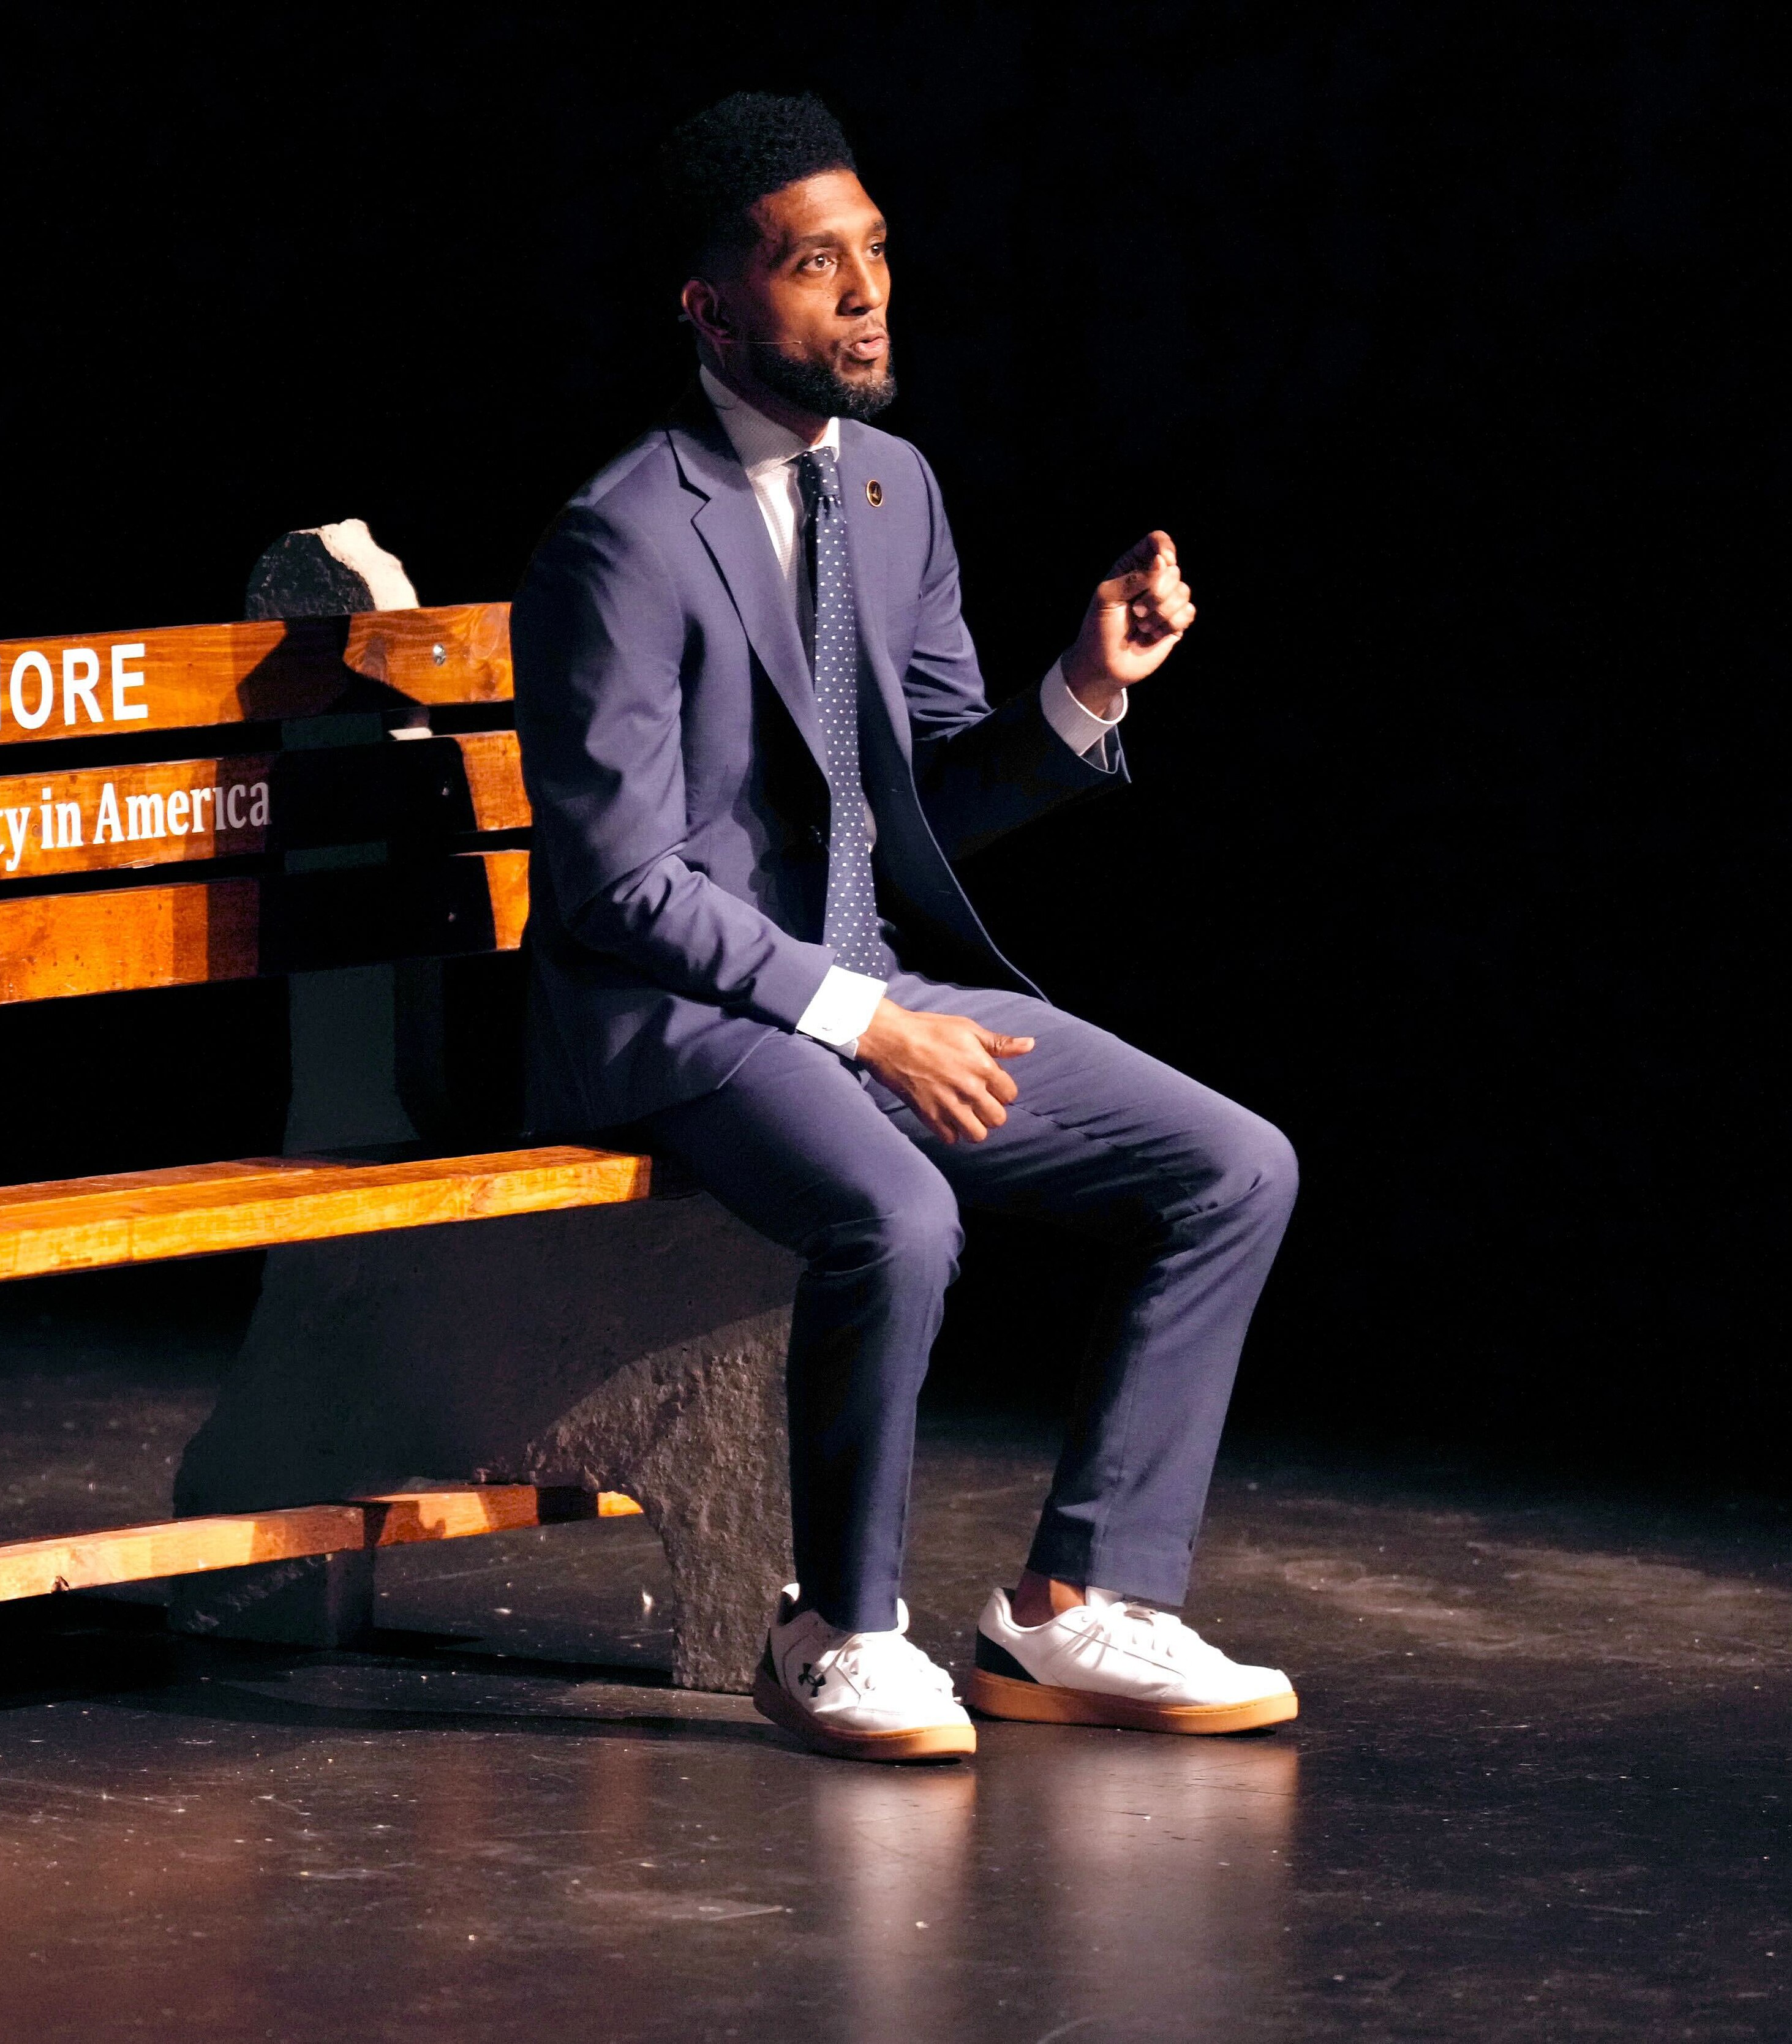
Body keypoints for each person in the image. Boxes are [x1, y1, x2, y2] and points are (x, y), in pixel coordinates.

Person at [513, 92, 1301, 1762]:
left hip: (861, 988)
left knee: (1236, 1165)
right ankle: (837, 1629)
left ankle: (1076, 1604)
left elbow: (927, 798)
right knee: (904, 1214)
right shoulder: (622, 537)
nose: (866, 293)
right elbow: (621, 886)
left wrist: (1085, 687)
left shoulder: (893, 491)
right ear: (712, 308)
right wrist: (867, 1021)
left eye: (874, 253)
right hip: (678, 1018)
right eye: (814, 265)